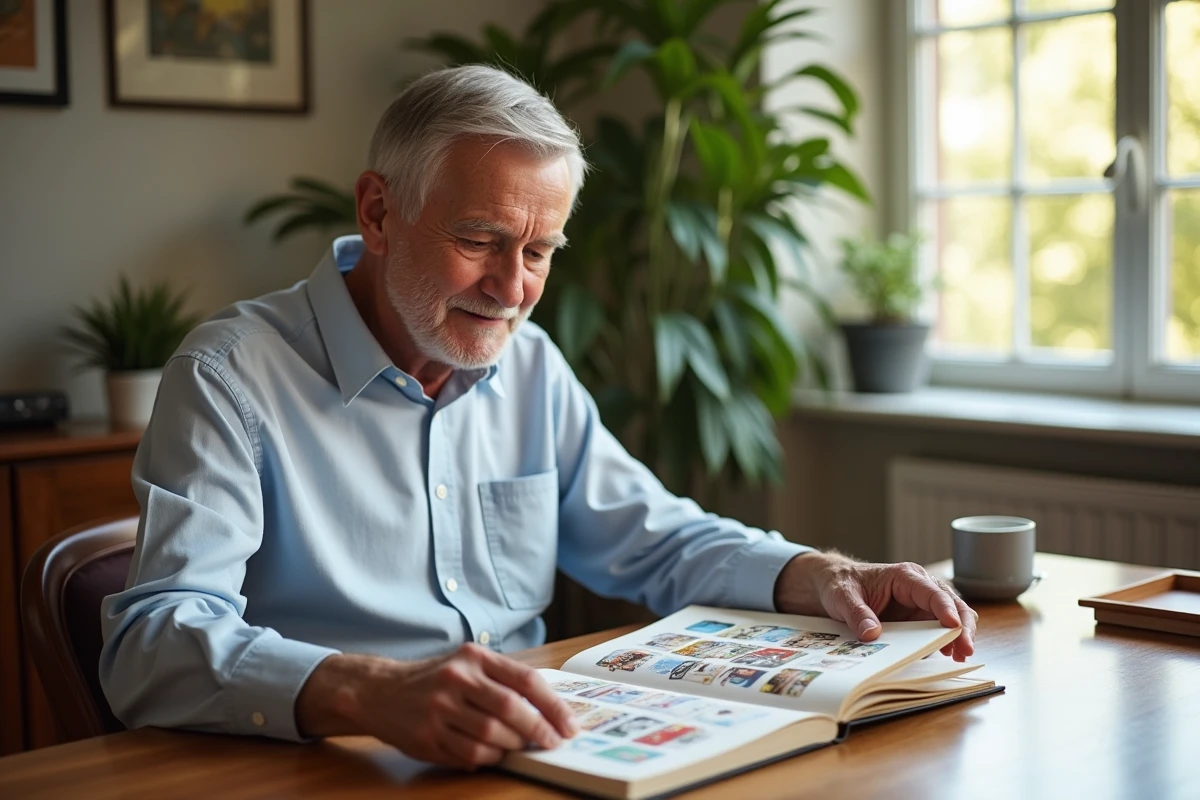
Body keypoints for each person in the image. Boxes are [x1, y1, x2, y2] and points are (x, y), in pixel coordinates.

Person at [99, 65, 977, 770]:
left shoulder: (528, 364)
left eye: (539, 252)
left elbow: (656, 538)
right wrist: (369, 691)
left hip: (541, 755)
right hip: (330, 766)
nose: (513, 289)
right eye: (479, 240)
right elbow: (153, 643)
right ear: (378, 212)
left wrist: (825, 572)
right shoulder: (229, 374)